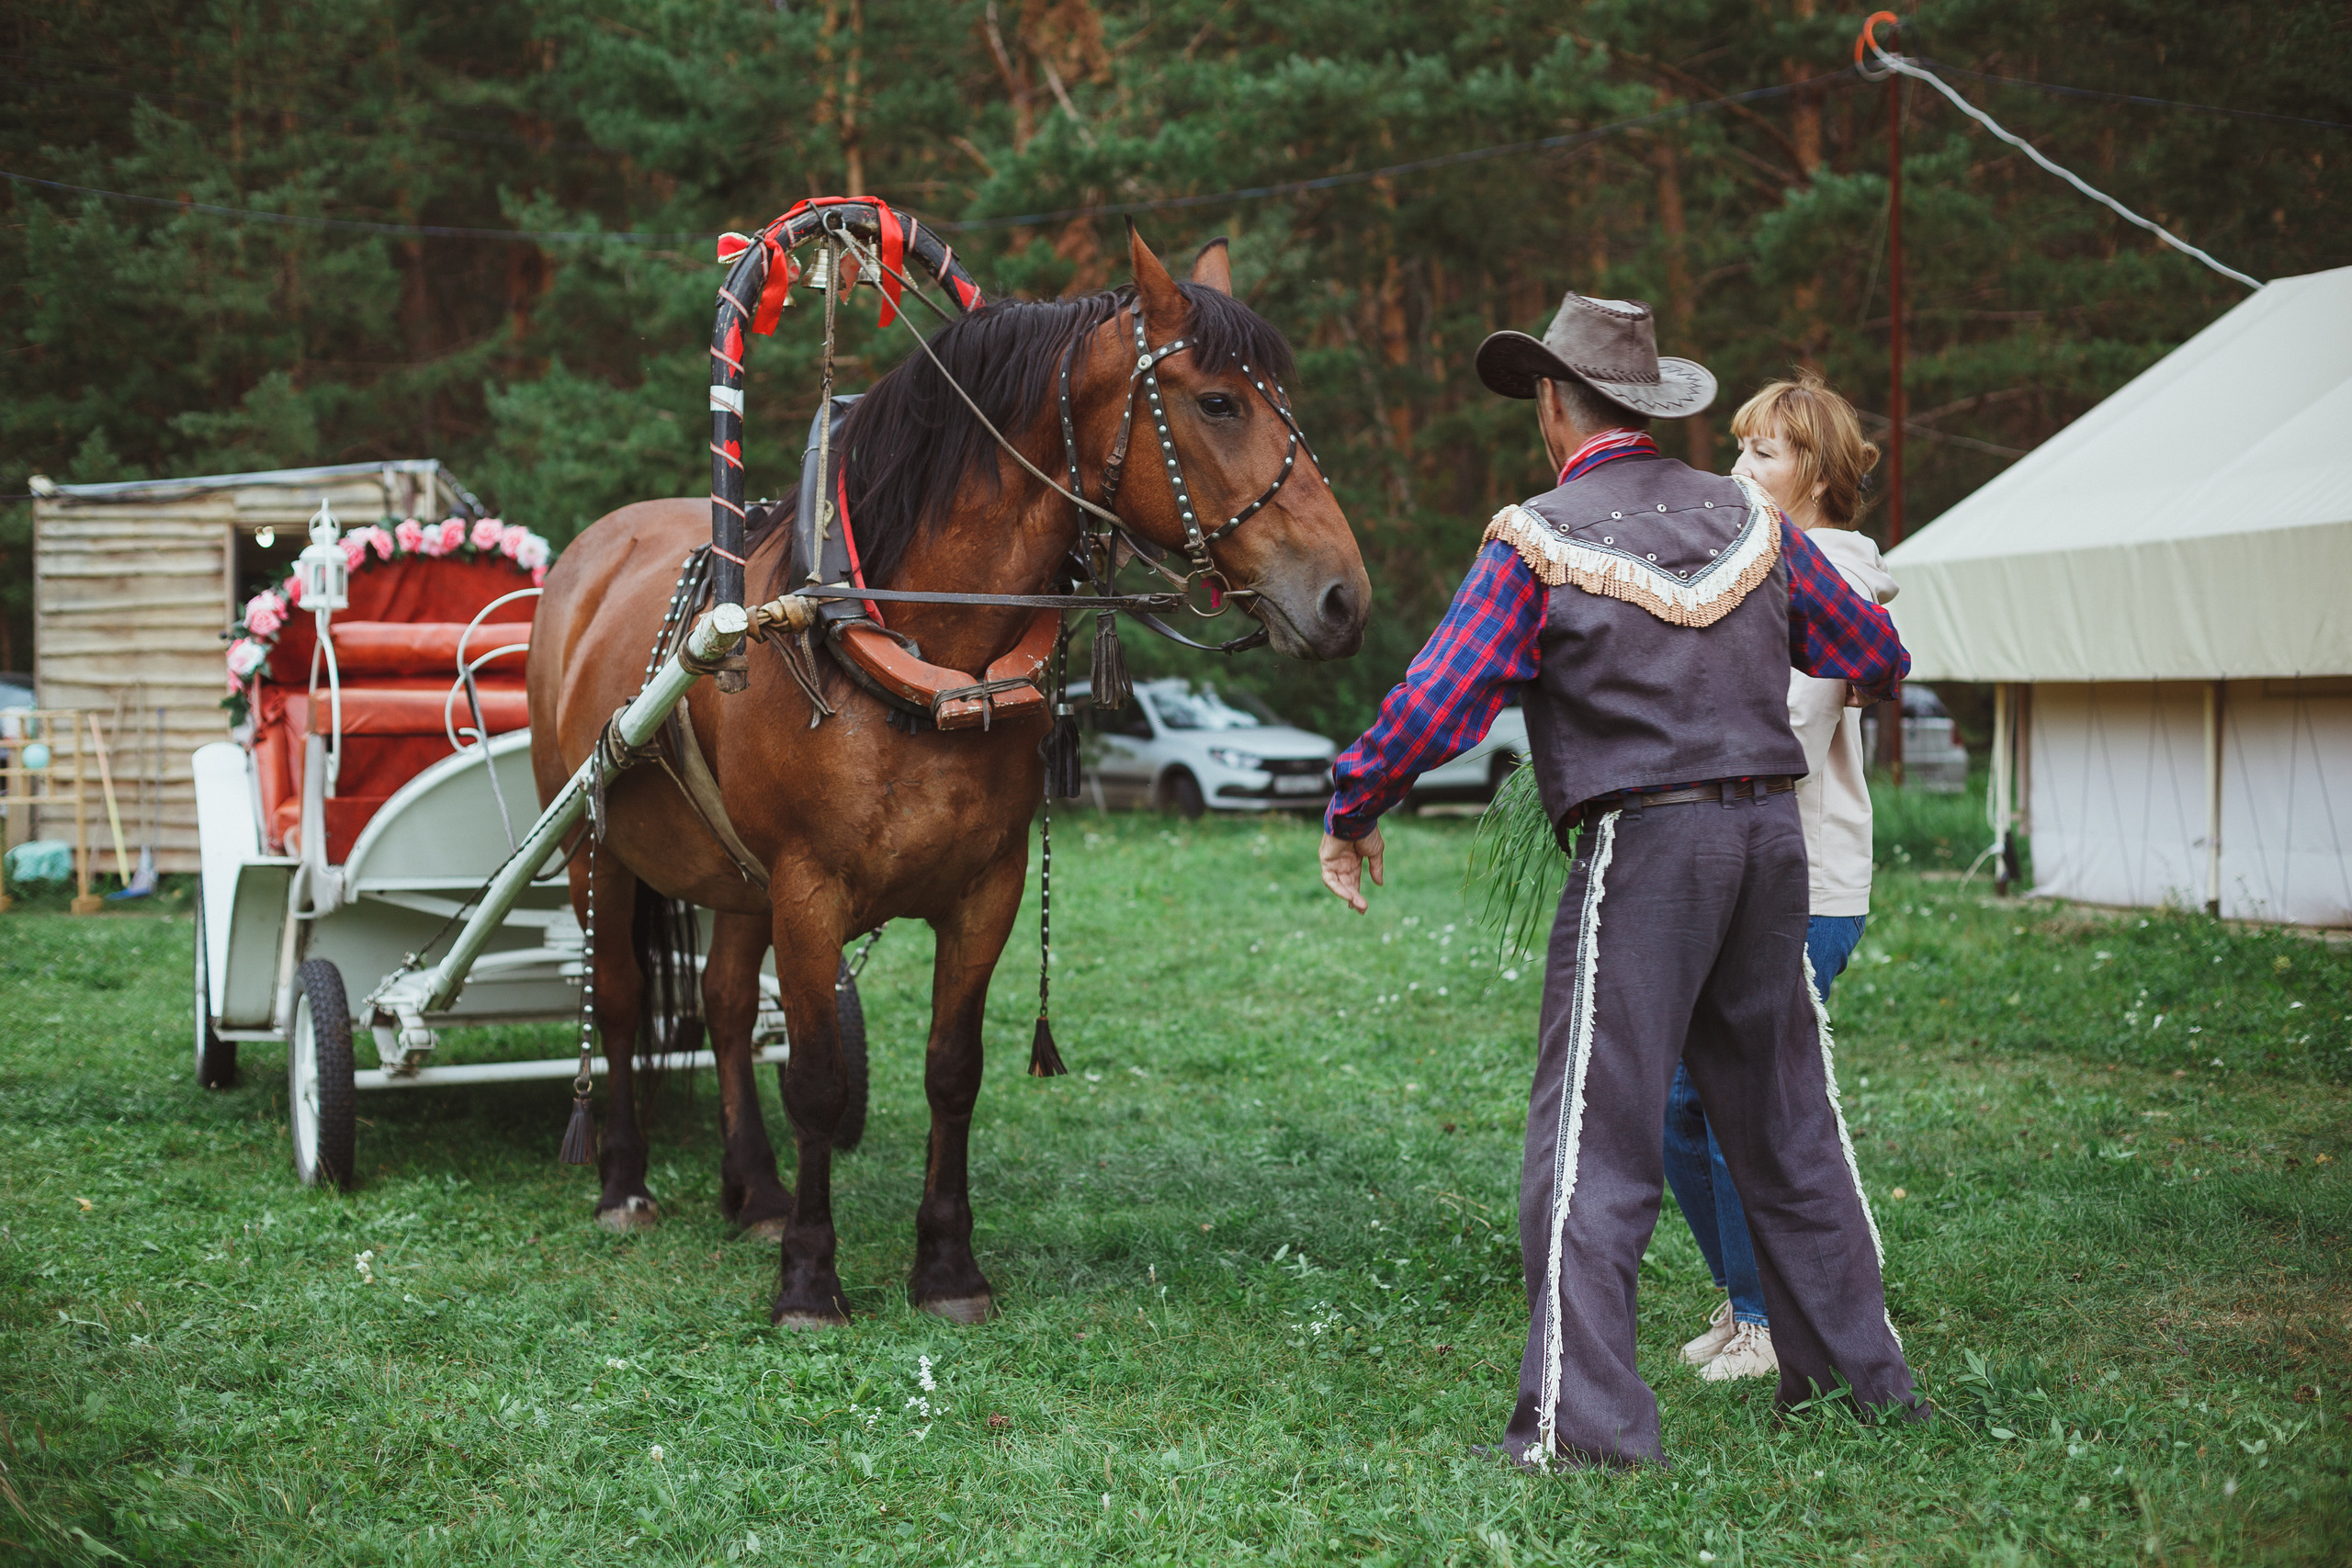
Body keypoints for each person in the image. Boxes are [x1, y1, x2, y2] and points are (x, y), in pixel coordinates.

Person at [1315, 291, 1924, 1469]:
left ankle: (1584, 1430)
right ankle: (1862, 1388)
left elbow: (1437, 703)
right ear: (1650, 404)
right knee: (1791, 1124)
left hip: (1645, 852)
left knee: (1593, 1138)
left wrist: (1353, 805)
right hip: (1770, 846)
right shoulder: (1747, 521)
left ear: (1551, 401)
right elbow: (1875, 656)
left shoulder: (1536, 533)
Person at [1666, 373, 1898, 1383]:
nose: (1739, 468)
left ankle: (1770, 1320)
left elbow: (1789, 721)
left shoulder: (1838, 575)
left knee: (1742, 1105)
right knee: (1681, 1102)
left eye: (1764, 452)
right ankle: (1745, 1292)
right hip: (1732, 878)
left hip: (1806, 885)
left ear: (1817, 471)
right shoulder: (1744, 562)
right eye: (1739, 448)